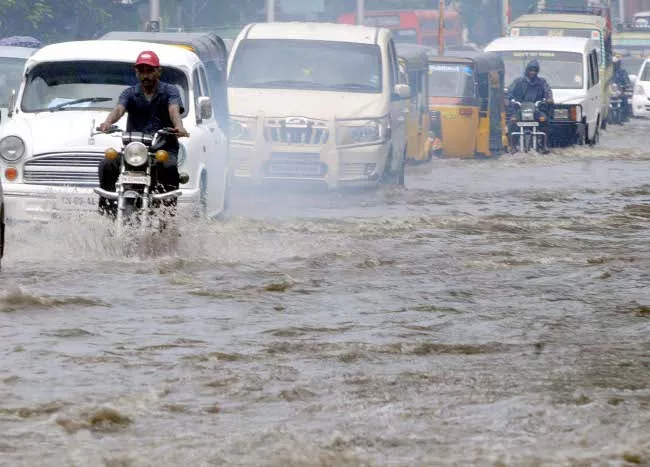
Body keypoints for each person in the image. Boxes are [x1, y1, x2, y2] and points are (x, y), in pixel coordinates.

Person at [97, 50, 189, 216]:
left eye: (150, 70)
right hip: (135, 151)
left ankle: (168, 217)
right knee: (107, 163)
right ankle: (107, 210)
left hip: (163, 149)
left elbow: (174, 110)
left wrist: (179, 127)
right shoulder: (130, 93)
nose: (145, 75)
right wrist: (107, 122)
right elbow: (118, 110)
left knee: (169, 167)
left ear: (158, 71)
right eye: (141, 71)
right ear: (136, 72)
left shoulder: (170, 91)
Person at [506, 59, 554, 152]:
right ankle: (513, 145)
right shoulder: (518, 81)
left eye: (535, 70)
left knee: (544, 120)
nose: (532, 72)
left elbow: (547, 91)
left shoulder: (542, 82)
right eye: (531, 70)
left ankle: (544, 144)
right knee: (512, 121)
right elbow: (509, 92)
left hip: (536, 110)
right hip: (520, 109)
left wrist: (549, 98)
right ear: (527, 70)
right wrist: (506, 99)